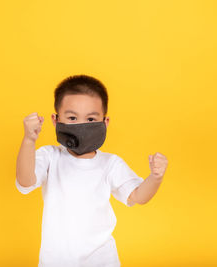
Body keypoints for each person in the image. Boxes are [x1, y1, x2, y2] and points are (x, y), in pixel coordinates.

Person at [15, 74, 168, 267]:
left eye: (90, 119)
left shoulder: (110, 163)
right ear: (55, 120)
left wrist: (155, 178)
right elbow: (25, 181)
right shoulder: (50, 157)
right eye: (72, 117)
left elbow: (138, 196)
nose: (81, 125)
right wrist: (29, 140)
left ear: (105, 122)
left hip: (102, 260)